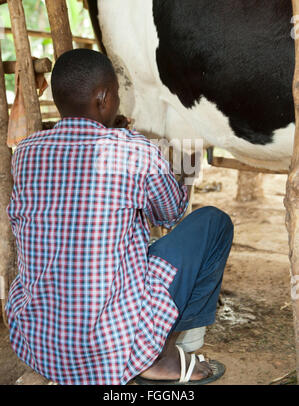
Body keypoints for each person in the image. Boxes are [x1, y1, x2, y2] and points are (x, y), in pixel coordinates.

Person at [5, 49, 233, 385]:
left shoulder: (25, 153)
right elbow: (170, 213)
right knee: (213, 223)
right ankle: (163, 354)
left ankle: (135, 352)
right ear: (103, 98)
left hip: (40, 348)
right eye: (115, 94)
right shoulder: (133, 150)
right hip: (110, 351)